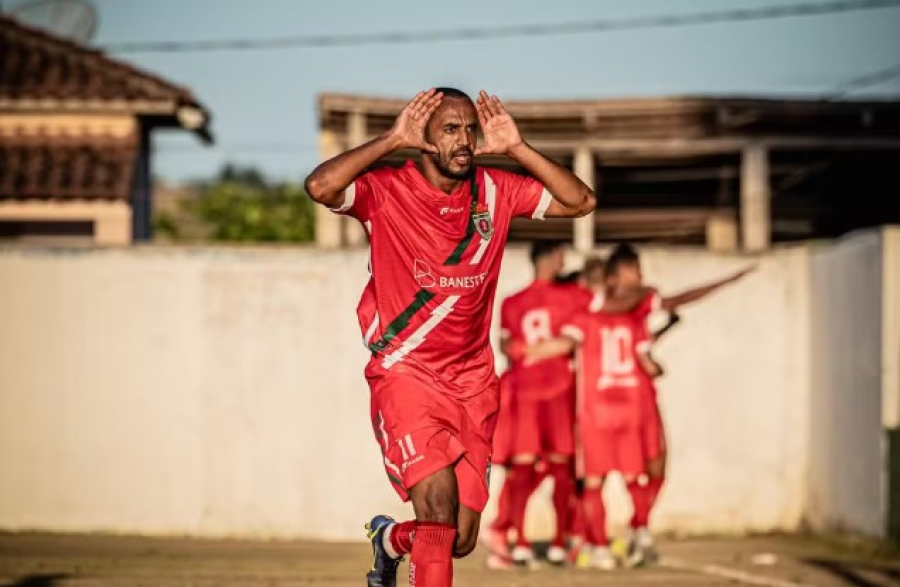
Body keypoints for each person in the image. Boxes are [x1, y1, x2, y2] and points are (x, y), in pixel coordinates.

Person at [304, 87, 595, 587]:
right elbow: (320, 187)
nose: (464, 141)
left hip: (474, 382)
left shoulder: (496, 190)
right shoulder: (386, 188)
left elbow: (581, 201)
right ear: (424, 138)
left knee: (457, 538)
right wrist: (391, 138)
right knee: (437, 511)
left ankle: (389, 540)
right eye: (449, 129)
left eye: (469, 129)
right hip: (407, 373)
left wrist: (518, 148)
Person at [602, 243, 755, 566]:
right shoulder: (631, 300)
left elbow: (636, 342)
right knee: (635, 470)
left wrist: (662, 330)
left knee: (645, 470)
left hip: (618, 400)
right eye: (634, 269)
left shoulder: (618, 311)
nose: (641, 275)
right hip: (628, 400)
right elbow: (679, 299)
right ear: (615, 275)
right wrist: (725, 282)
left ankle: (631, 533)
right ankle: (618, 536)